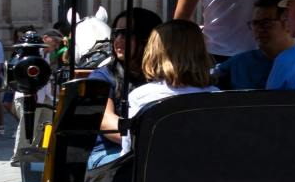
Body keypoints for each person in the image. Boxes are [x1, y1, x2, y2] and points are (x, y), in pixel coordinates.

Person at [92, 20, 219, 167]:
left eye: (126, 34)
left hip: (150, 166)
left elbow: (129, 149)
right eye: (116, 33)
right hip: (193, 166)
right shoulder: (216, 95)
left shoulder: (140, 96)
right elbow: (104, 121)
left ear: (149, 45)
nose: (118, 40)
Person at [216, 0, 295, 92]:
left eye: (266, 23)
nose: (259, 29)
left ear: (288, 23)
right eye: (255, 23)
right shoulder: (239, 64)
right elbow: (206, 80)